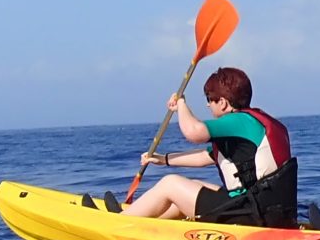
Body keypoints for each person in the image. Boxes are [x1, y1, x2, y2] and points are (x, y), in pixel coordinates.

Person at [123, 66, 297, 227]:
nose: (207, 105)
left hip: (254, 216)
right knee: (190, 188)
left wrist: (181, 104)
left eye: (209, 99)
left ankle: (120, 223)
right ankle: (144, 226)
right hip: (269, 212)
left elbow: (194, 132)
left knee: (170, 184)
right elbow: (203, 157)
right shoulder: (251, 124)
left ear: (223, 103)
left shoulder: (238, 121)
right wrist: (163, 159)